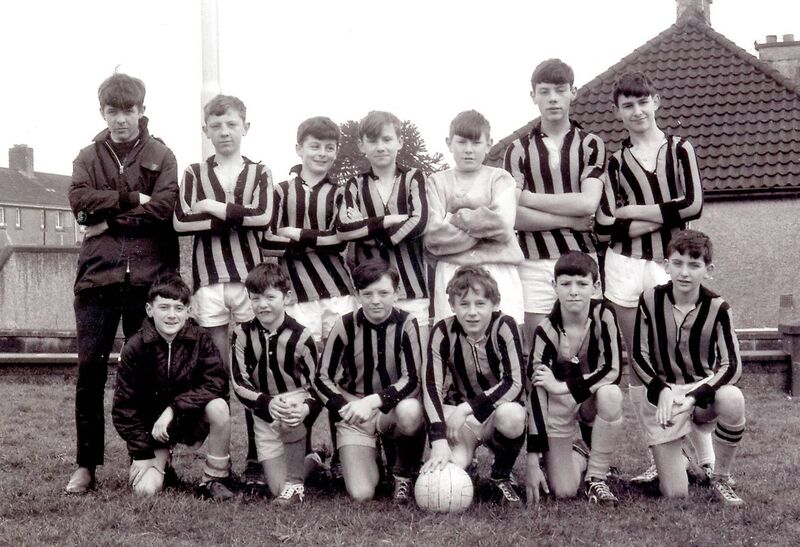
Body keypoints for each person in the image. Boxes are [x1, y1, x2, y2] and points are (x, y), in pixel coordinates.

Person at [66, 73, 179, 494]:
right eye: (112, 111)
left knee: (148, 375)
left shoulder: (162, 154)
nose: (120, 119)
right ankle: (86, 465)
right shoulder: (87, 155)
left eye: (128, 110)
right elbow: (78, 201)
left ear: (141, 111)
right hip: (97, 281)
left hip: (148, 283)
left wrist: (103, 220)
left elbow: (165, 207)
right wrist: (132, 200)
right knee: (88, 374)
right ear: (103, 113)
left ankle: (145, 459)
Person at [595, 72, 704, 483]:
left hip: (667, 262)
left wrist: (633, 211)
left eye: (643, 102)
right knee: (639, 360)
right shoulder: (615, 161)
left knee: (677, 354)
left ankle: (702, 457)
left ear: (656, 101)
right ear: (618, 111)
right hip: (623, 264)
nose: (637, 111)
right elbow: (605, 229)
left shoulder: (680, 149)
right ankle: (658, 455)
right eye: (628, 105)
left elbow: (693, 205)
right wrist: (661, 211)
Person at [173, 94, 273, 488]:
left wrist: (214, 207)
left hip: (250, 284)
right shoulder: (194, 171)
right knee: (219, 372)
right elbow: (181, 222)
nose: (225, 131)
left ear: (245, 127)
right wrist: (236, 215)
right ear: (206, 131)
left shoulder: (260, 171)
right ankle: (221, 464)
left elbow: (264, 216)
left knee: (253, 369)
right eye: (217, 126)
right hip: (208, 283)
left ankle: (257, 457)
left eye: (232, 124)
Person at [630, 229, 745, 506]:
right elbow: (638, 354)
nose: (685, 272)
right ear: (666, 265)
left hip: (699, 393)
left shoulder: (718, 307)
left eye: (694, 265)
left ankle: (721, 477)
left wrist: (695, 396)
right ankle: (681, 460)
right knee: (676, 492)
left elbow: (732, 366)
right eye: (678, 263)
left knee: (732, 397)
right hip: (666, 393)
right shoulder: (649, 299)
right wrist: (662, 391)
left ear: (708, 270)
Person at [503, 58, 606, 353]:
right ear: (532, 95)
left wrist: (528, 197)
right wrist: (570, 221)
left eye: (560, 90)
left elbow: (588, 203)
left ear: (573, 92)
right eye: (544, 91)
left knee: (586, 352)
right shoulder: (517, 149)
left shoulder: (591, 144)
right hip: (534, 262)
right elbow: (514, 216)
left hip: (582, 260)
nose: (552, 98)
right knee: (539, 351)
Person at [112, 277, 233, 500]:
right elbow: (124, 408)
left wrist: (174, 409)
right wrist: (141, 452)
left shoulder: (200, 339)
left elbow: (216, 383)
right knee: (145, 490)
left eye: (179, 308)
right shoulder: (135, 347)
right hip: (154, 429)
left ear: (188, 311)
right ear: (149, 310)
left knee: (219, 407)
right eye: (164, 307)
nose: (171, 315)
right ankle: (163, 464)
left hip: (189, 418)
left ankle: (214, 479)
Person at [315, 259, 425, 503]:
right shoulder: (344, 325)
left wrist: (374, 402)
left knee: (411, 409)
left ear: (396, 294)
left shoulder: (407, 323)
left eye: (384, 293)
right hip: (354, 412)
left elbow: (412, 379)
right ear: (357, 295)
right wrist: (346, 407)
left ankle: (403, 472)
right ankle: (371, 455)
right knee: (362, 493)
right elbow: (321, 377)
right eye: (368, 293)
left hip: (391, 408)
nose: (376, 300)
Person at [420, 265, 527, 506]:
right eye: (464, 304)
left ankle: (501, 475)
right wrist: (437, 440)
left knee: (513, 416)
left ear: (494, 304)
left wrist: (467, 408)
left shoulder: (505, 325)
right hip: (460, 422)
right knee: (446, 472)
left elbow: (515, 382)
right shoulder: (442, 331)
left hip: (492, 416)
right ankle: (467, 463)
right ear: (452, 306)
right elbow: (431, 385)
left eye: (480, 304)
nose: (472, 312)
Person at [524, 251, 623, 506]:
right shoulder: (545, 329)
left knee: (611, 394)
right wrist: (533, 458)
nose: (574, 291)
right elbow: (537, 393)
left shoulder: (604, 314)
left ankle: (596, 477)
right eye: (565, 284)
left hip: (586, 396)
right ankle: (580, 452)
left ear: (596, 286)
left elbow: (612, 369)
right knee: (564, 491)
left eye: (582, 283)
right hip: (557, 407)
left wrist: (562, 387)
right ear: (554, 286)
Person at [229, 263, 321, 505]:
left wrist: (303, 409)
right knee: (276, 487)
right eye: (256, 298)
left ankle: (296, 487)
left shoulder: (302, 336)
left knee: (288, 408)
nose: (263, 304)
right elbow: (238, 382)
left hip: (295, 403)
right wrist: (266, 403)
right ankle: (314, 459)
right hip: (264, 407)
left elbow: (317, 386)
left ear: (286, 297)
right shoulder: (242, 334)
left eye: (270, 297)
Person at [336, 111, 430, 345]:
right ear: (361, 145)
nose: (380, 147)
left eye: (387, 139)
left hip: (411, 289)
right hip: (371, 293)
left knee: (418, 360)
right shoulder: (355, 184)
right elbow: (344, 230)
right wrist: (387, 222)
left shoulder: (413, 178)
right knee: (375, 361)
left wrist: (367, 228)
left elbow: (419, 222)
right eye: (373, 140)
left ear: (399, 141)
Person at [425, 110, 524, 326]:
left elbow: (503, 226)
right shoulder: (436, 182)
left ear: (489, 144)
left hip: (499, 268)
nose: (469, 150)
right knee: (453, 344)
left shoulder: (500, 178)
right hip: (452, 270)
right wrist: (484, 227)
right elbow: (434, 236)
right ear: (449, 143)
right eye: (461, 142)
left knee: (504, 339)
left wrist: (453, 218)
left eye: (476, 142)